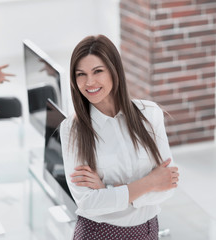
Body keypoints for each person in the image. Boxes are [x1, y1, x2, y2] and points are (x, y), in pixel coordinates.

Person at [60, 35, 179, 240]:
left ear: (114, 70)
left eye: (98, 71)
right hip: (98, 233)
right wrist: (149, 182)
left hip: (148, 231)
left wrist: (109, 190)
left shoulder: (150, 114)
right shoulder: (72, 129)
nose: (89, 82)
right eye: (81, 74)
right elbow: (88, 202)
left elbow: (168, 184)